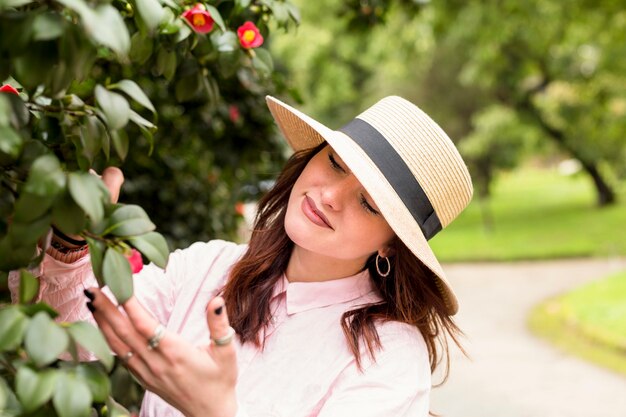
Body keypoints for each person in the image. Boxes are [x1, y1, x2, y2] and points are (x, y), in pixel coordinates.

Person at [11, 95, 473, 417]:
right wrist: (69, 245)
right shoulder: (208, 268)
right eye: (334, 162)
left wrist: (216, 412)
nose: (330, 195)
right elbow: (65, 337)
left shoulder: (389, 356)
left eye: (370, 202)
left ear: (391, 243)